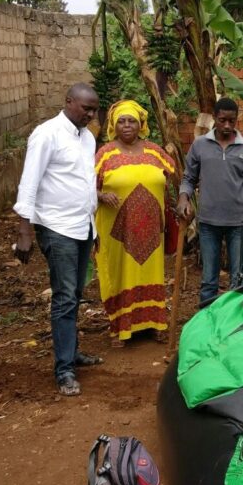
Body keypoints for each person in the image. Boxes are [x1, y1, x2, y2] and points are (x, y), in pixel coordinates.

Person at [13, 83, 103, 396]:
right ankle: (64, 369)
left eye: (94, 110)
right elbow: (29, 181)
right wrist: (24, 229)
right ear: (68, 102)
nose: (90, 115)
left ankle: (72, 352)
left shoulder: (88, 138)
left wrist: (94, 229)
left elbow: (86, 185)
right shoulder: (46, 134)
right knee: (65, 297)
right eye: (85, 109)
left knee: (75, 293)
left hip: (82, 227)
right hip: (56, 228)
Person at [94, 100, 176, 347]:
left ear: (141, 124)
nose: (127, 125)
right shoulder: (105, 153)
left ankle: (154, 323)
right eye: (121, 121)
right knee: (120, 274)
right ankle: (120, 327)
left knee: (152, 273)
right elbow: (84, 186)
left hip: (151, 230)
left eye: (132, 121)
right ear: (113, 125)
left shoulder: (154, 152)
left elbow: (171, 180)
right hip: (117, 232)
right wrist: (100, 195)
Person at [177, 97, 243, 308]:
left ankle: (235, 323)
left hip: (238, 224)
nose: (227, 126)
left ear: (237, 119)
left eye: (232, 121)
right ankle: (207, 323)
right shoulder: (200, 145)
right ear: (214, 118)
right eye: (222, 120)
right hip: (208, 224)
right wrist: (184, 198)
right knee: (208, 281)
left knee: (238, 280)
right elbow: (188, 178)